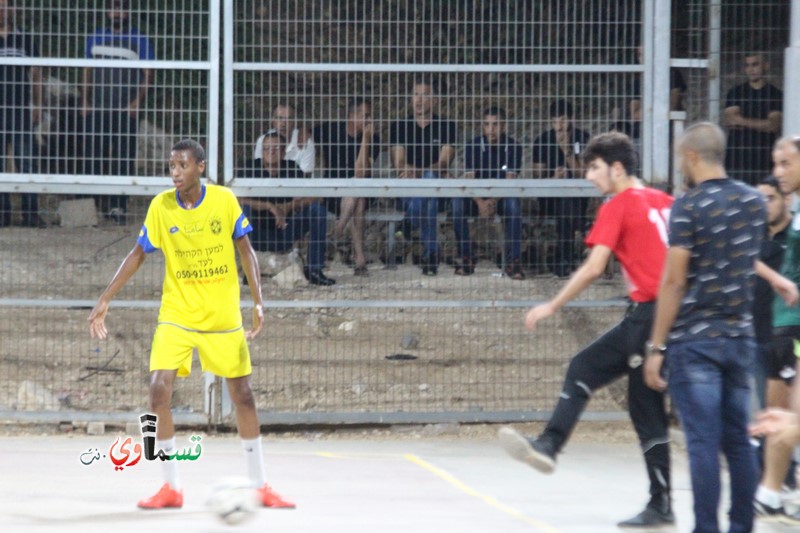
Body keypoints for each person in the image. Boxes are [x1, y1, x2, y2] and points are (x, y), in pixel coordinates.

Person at [87, 139, 294, 510]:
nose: (175, 173)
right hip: (178, 315)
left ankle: (262, 485)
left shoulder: (224, 201)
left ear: (200, 167)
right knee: (157, 390)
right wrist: (105, 298)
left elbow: (246, 251)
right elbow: (137, 254)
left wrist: (259, 301)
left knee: (242, 395)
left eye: (182, 165)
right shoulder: (161, 208)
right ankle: (171, 487)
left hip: (221, 315)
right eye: (171, 166)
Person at [499, 131, 674, 529]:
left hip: (649, 314)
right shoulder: (665, 201)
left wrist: (552, 304)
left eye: (594, 168)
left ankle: (550, 444)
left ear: (616, 168)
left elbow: (595, 267)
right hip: (675, 313)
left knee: (583, 368)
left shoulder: (619, 204)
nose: (590, 177)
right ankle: (661, 502)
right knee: (646, 409)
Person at [644, 123, 797, 533]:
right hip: (740, 337)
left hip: (695, 341)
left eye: (681, 158)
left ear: (691, 156)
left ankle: (706, 528)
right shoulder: (751, 200)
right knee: (738, 442)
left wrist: (656, 347)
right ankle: (741, 526)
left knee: (702, 444)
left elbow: (675, 281)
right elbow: (747, 258)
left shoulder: (688, 206)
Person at [753, 138, 800, 523]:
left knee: (785, 417)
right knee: (784, 416)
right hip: (786, 328)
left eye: (786, 164)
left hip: (788, 328)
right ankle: (772, 491)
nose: (779, 172)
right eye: (776, 164)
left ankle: (773, 492)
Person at [83, 0, 154, 224]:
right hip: (98, 108)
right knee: (94, 156)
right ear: (107, 12)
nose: (117, 13)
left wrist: (136, 103)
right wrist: (86, 100)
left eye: (121, 9)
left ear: (127, 12)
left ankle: (118, 206)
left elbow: (148, 75)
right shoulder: (95, 37)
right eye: (113, 8)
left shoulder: (139, 40)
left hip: (126, 110)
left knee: (123, 158)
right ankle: (93, 205)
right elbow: (87, 70)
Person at [240, 131, 334, 286]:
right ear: (261, 150)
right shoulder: (251, 168)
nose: (271, 151)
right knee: (243, 210)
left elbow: (316, 197)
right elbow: (234, 199)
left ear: (284, 152)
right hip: (256, 233)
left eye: (277, 148)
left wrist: (287, 207)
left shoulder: (291, 168)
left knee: (317, 210)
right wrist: (270, 207)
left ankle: (314, 270)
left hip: (286, 231)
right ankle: (248, 269)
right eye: (267, 148)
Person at [389, 77, 457, 275]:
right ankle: (431, 256)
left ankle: (409, 222)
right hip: (407, 192)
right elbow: (398, 164)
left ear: (435, 100)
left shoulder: (447, 126)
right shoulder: (400, 126)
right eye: (416, 94)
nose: (419, 100)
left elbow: (444, 163)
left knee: (430, 181)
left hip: (436, 190)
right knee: (429, 197)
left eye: (425, 95)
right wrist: (417, 171)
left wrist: (419, 172)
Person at [453, 106, 524, 279]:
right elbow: (469, 179)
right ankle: (467, 257)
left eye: (496, 124)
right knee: (457, 204)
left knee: (513, 205)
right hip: (478, 197)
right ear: (482, 126)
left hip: (500, 197)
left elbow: (510, 181)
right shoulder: (473, 146)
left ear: (504, 126)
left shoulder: (513, 146)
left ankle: (513, 261)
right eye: (487, 125)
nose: (491, 130)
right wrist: (480, 202)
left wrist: (492, 201)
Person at [313, 97, 379, 276]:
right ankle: (360, 259)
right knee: (358, 201)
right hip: (332, 194)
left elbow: (360, 172)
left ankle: (339, 229)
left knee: (357, 189)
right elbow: (307, 133)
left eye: (369, 116)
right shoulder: (331, 130)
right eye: (364, 115)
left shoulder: (373, 138)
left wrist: (365, 140)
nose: (368, 120)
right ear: (351, 116)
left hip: (360, 191)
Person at [531, 99, 591, 278]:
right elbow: (537, 181)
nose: (559, 126)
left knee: (568, 201)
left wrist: (567, 152)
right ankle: (571, 248)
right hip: (550, 199)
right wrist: (553, 179)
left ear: (571, 119)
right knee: (564, 201)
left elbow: (584, 175)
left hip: (578, 198)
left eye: (563, 120)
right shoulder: (543, 140)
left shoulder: (582, 138)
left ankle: (563, 259)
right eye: (555, 121)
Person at [0, 0, 42, 227]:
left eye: (6, 6)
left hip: (20, 112)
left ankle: (30, 213)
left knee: (26, 163)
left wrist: (37, 104)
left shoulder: (24, 38)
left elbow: (36, 73)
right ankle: (2, 214)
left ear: (14, 9)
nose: (2, 10)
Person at [723, 53, 783, 186]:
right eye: (747, 65)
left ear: (765, 66)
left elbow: (773, 125)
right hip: (737, 159)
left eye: (755, 64)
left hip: (764, 158)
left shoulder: (774, 93)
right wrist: (762, 123)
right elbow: (730, 120)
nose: (751, 69)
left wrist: (741, 120)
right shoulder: (735, 92)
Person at [253, 103, 315, 175]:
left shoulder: (306, 141)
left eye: (288, 118)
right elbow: (259, 168)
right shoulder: (263, 140)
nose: (283, 123)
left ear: (294, 121)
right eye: (279, 118)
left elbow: (306, 174)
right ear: (273, 120)